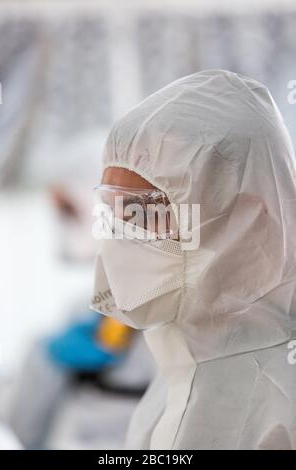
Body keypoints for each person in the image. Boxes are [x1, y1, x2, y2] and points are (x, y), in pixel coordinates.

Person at [91, 69, 296, 450]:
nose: (120, 237)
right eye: (112, 212)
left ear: (245, 220)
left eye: (140, 214)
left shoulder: (283, 406)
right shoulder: (179, 363)